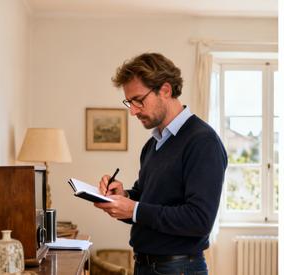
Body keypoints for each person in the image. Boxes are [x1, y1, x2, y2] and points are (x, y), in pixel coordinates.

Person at [93, 53, 227, 275]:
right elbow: (148, 199)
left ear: (165, 90)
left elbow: (199, 220)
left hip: (178, 268)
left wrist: (134, 209)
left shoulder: (203, 141)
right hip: (146, 265)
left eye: (138, 100)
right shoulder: (153, 144)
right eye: (129, 102)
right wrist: (124, 197)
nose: (133, 110)